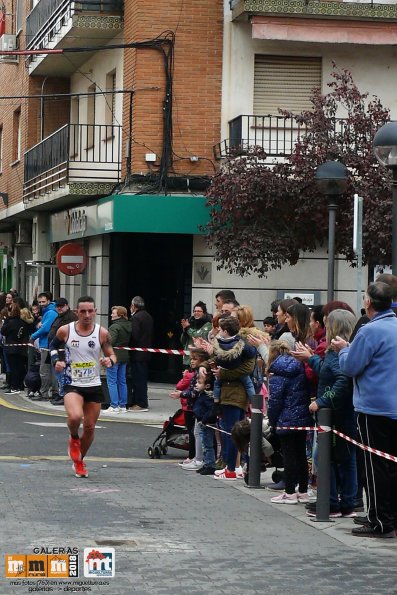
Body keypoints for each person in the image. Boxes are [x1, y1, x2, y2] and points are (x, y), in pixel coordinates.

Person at [332, 282, 397, 538]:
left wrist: (343, 350)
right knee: (392, 465)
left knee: (374, 467)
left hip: (374, 408)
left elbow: (350, 367)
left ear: (368, 303)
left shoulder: (370, 331)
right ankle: (389, 516)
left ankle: (380, 520)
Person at [293, 309, 358, 518]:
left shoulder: (339, 351)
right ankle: (344, 501)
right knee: (343, 458)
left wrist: (322, 401)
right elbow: (327, 372)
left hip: (336, 415)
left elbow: (341, 381)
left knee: (330, 458)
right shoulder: (339, 350)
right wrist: (310, 358)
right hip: (341, 414)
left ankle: (332, 502)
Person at [49, 296, 116, 478]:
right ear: (77, 312)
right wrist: (56, 360)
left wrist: (109, 360)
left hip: (93, 385)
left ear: (95, 311)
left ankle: (79, 462)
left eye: (90, 311)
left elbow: (112, 354)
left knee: (89, 428)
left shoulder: (101, 333)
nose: (87, 315)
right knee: (75, 416)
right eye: (83, 311)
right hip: (73, 383)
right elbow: (52, 345)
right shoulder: (66, 330)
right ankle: (73, 436)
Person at [267, 339, 312, 505]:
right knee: (300, 454)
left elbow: (275, 401)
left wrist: (272, 420)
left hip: (286, 418)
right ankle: (303, 491)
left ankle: (290, 492)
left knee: (289, 456)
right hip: (302, 416)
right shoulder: (299, 367)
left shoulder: (278, 373)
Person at [47, 298, 78, 406]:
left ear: (66, 305)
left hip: (64, 351)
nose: (59, 308)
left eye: (61, 306)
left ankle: (64, 395)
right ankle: (62, 394)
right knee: (60, 375)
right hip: (57, 349)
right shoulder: (60, 316)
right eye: (57, 306)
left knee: (63, 375)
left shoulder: (70, 317)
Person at [1, 302, 34, 393]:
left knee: (14, 368)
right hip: (22, 348)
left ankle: (14, 387)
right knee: (20, 367)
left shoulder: (10, 322)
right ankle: (20, 386)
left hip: (12, 348)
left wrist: (6, 320)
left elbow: (3, 331)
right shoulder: (23, 322)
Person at [31, 292, 58, 401]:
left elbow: (45, 328)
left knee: (45, 370)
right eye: (40, 302)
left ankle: (45, 393)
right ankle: (50, 392)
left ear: (49, 301)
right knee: (49, 370)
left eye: (43, 301)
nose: (41, 304)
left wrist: (33, 336)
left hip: (47, 345)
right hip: (47, 344)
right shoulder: (48, 312)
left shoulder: (50, 312)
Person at [129, 296, 153, 412]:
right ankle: (139, 401)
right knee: (142, 378)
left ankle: (141, 403)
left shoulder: (136, 318)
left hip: (137, 354)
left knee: (138, 380)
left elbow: (135, 335)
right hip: (145, 353)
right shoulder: (147, 316)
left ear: (134, 306)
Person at [106, 306, 131, 413]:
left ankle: (114, 405)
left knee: (112, 381)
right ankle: (122, 405)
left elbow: (110, 342)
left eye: (113, 313)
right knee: (122, 381)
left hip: (114, 356)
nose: (111, 314)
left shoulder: (114, 327)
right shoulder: (128, 325)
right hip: (124, 355)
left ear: (119, 315)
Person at [180, 301, 212, 367]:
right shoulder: (190, 322)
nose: (196, 313)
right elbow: (182, 341)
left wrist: (188, 328)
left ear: (204, 313)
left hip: (200, 359)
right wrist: (184, 331)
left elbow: (199, 336)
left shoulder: (208, 324)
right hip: (188, 359)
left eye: (199, 311)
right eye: (194, 311)